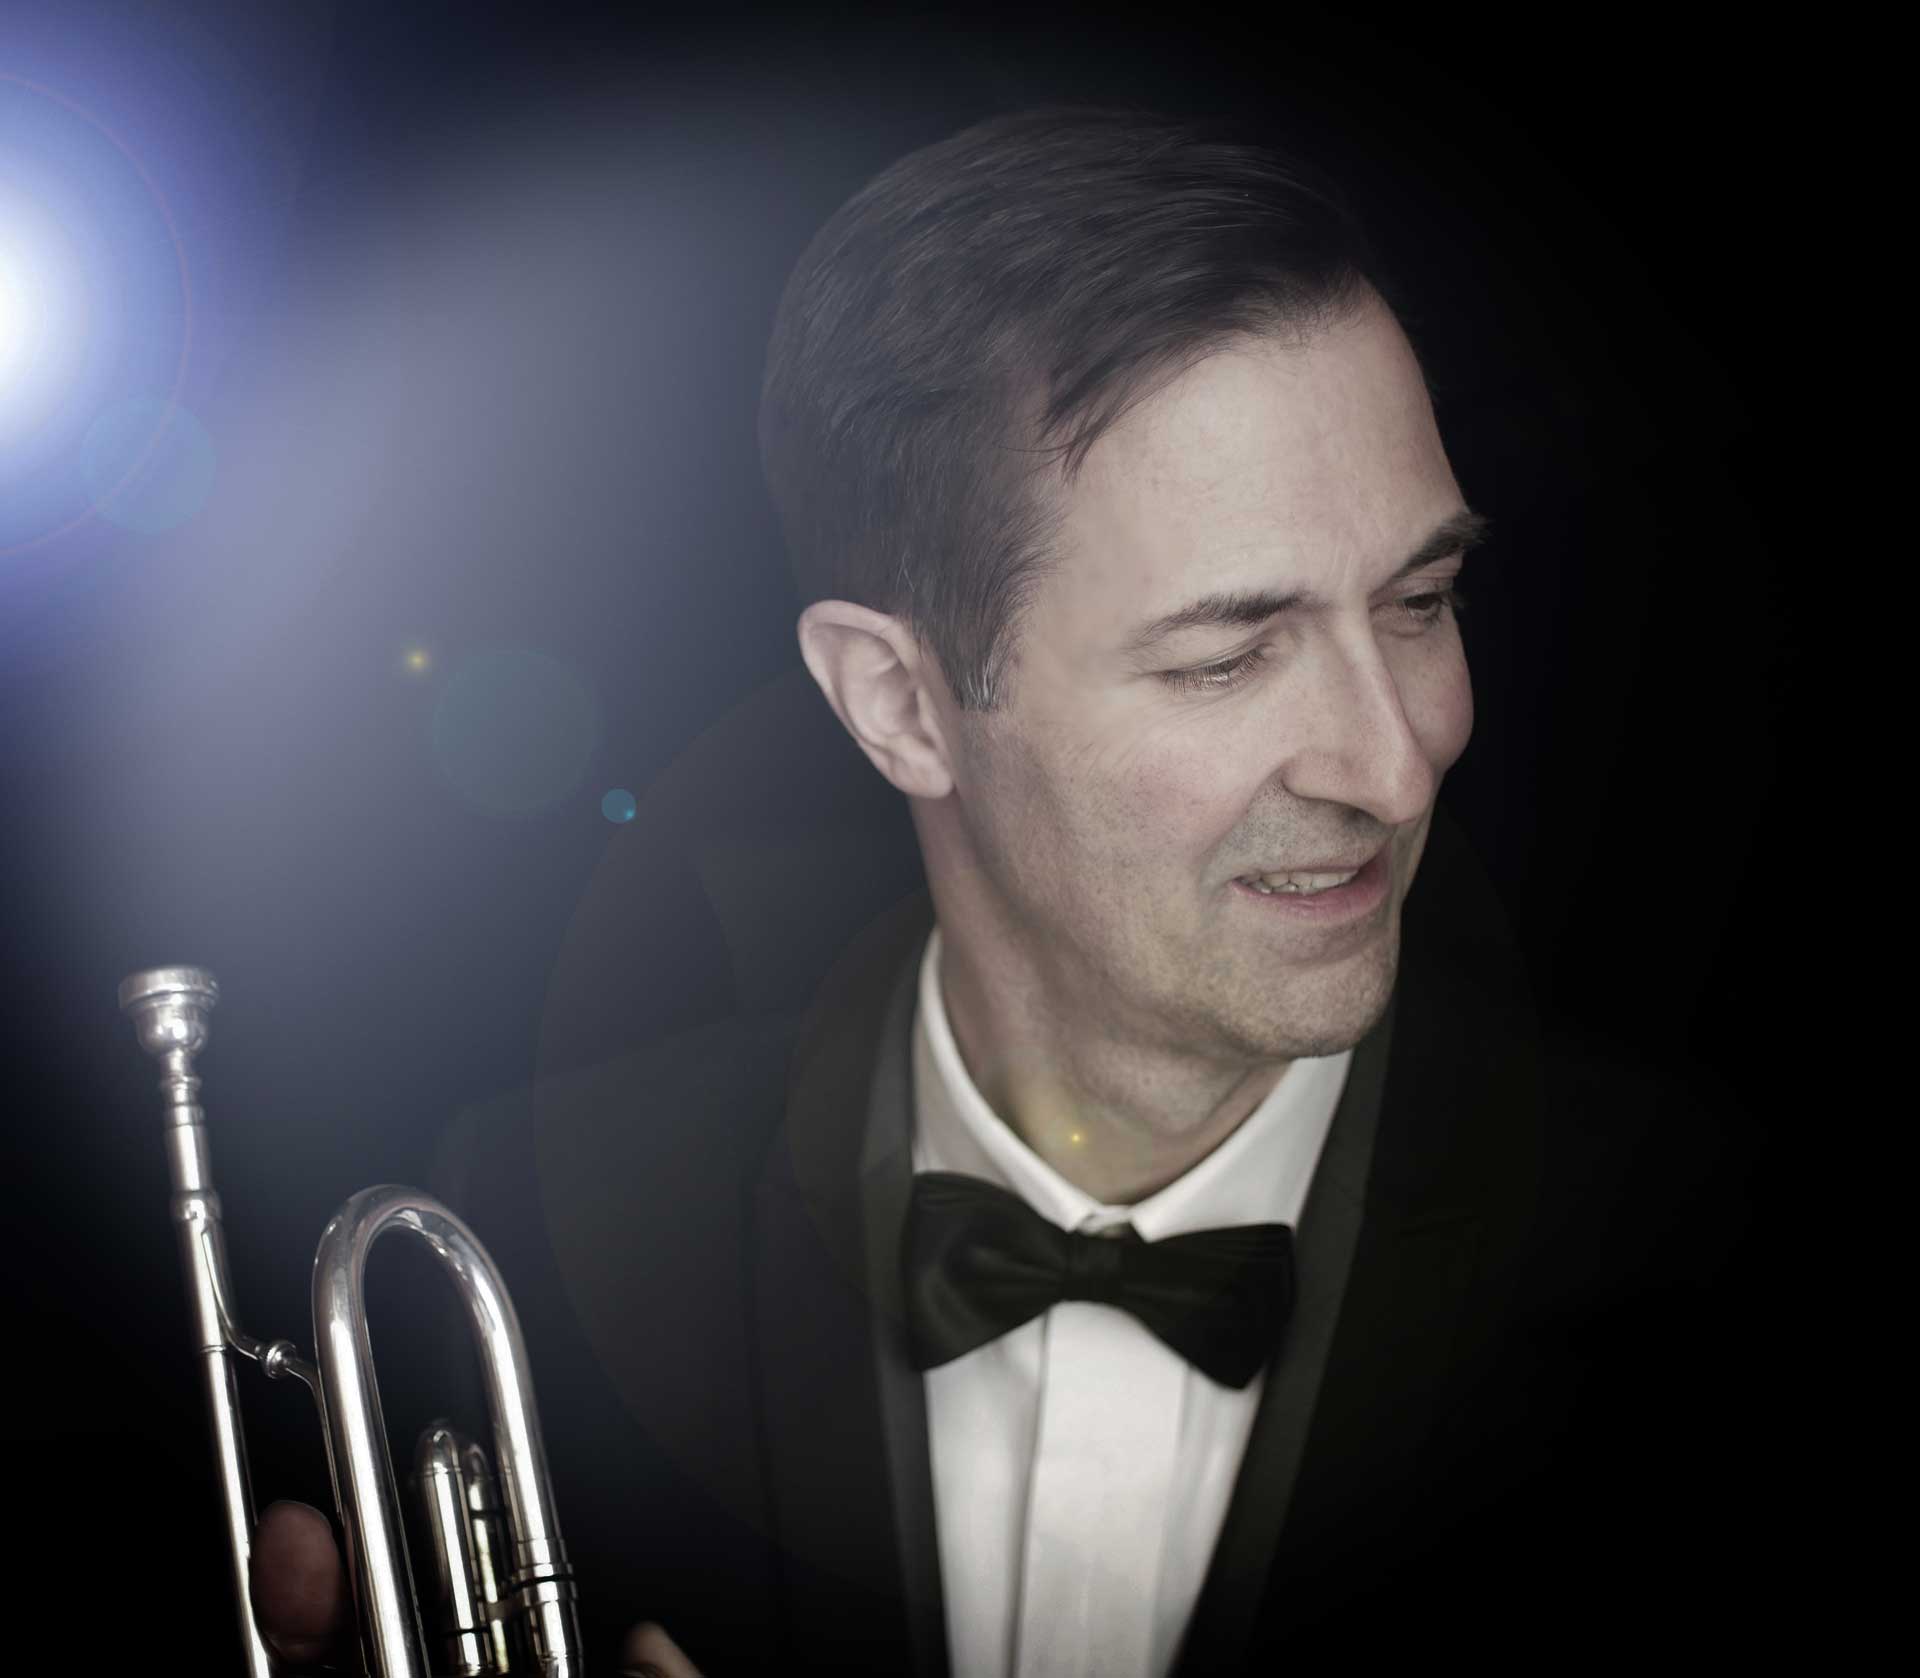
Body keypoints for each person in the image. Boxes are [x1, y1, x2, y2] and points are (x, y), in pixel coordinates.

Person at [246, 105, 1759, 1675]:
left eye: (1422, 598)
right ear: (900, 703)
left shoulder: (1685, 1260)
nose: (1396, 760)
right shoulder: (528, 1248)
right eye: (1227, 656)